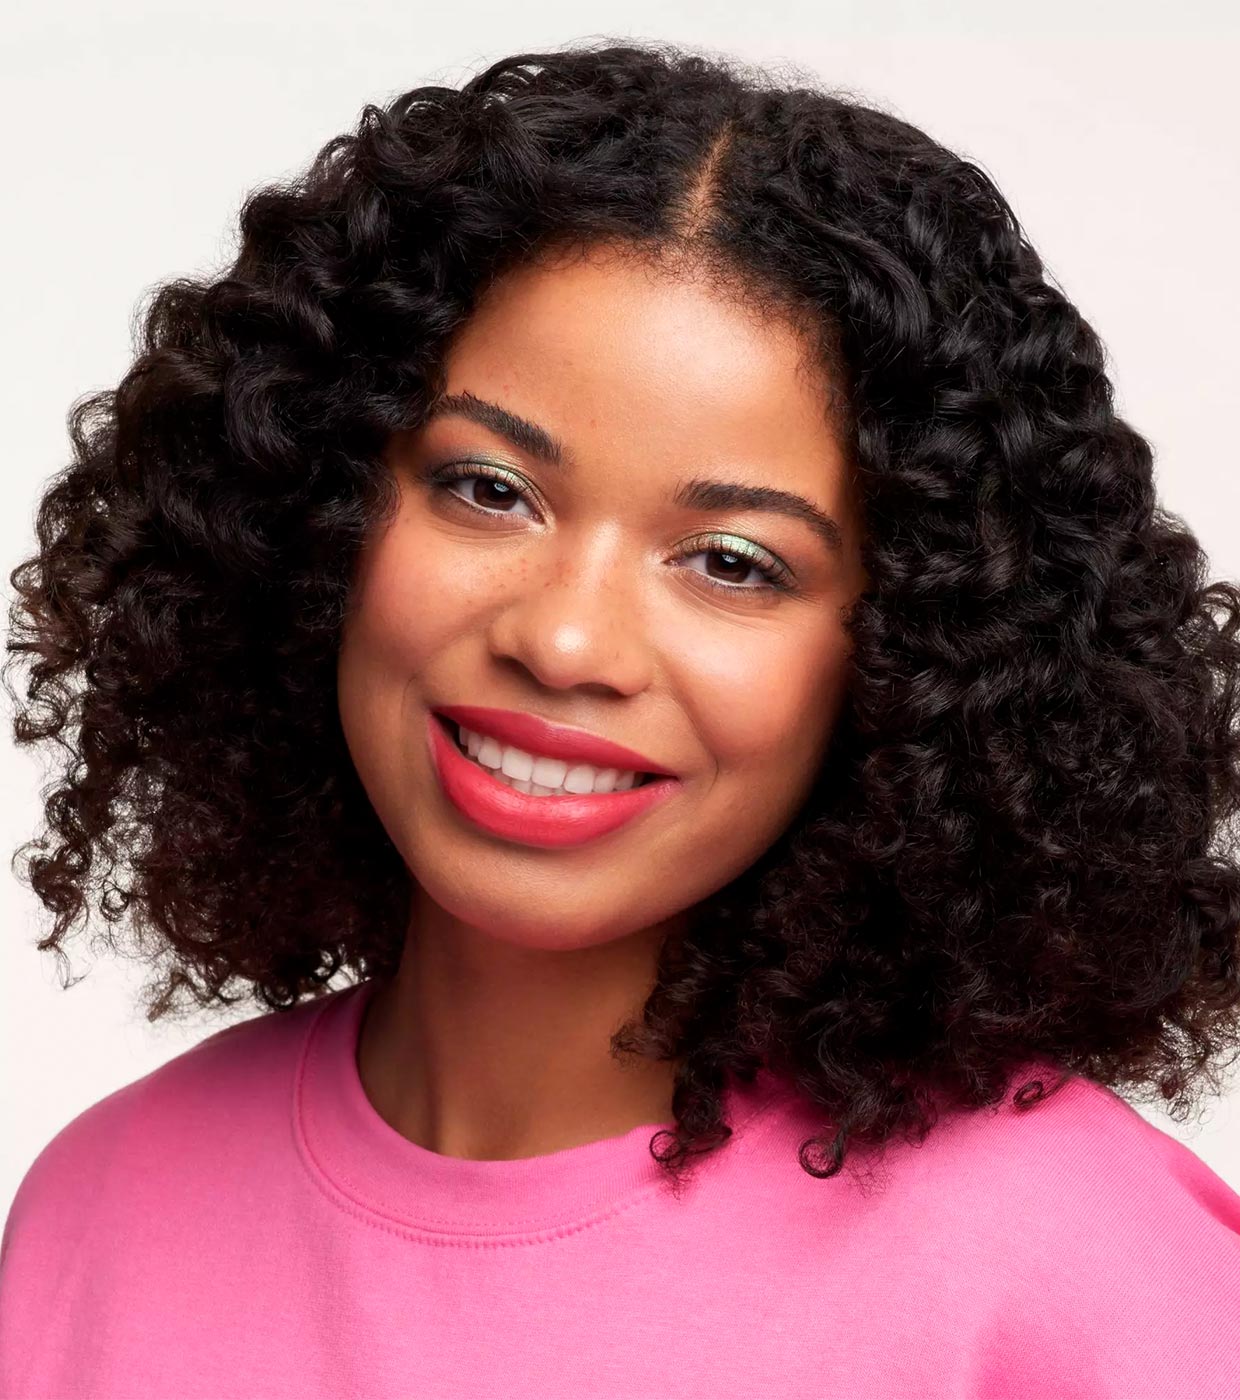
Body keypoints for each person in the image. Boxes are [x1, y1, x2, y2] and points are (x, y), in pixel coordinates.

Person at [1, 38, 1238, 1400]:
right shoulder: (99, 1210)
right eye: (488, 489)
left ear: (913, 659)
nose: (567, 640)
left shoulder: (1070, 1276)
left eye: (734, 563)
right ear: (316, 511)